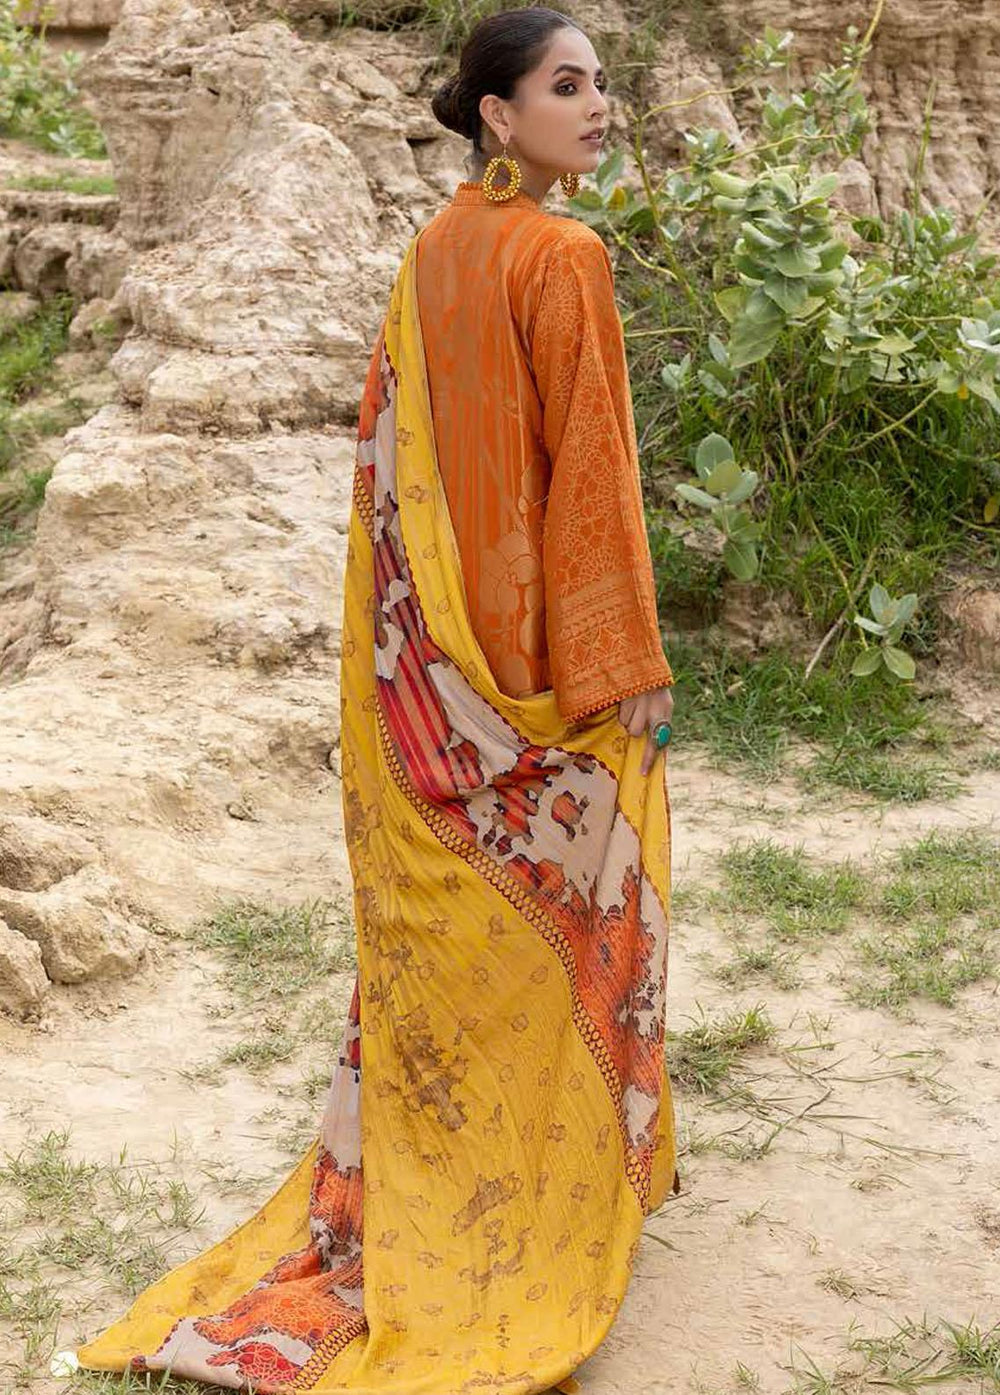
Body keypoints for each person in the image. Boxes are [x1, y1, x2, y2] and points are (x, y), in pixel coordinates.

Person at [69, 8, 678, 1393]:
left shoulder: (430, 252)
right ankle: (542, 1199)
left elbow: (390, 482)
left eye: (602, 84)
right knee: (577, 901)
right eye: (567, 85)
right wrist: (621, 669)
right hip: (536, 665)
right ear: (498, 115)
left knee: (455, 939)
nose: (598, 106)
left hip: (431, 675)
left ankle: (452, 1182)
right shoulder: (563, 254)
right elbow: (592, 473)